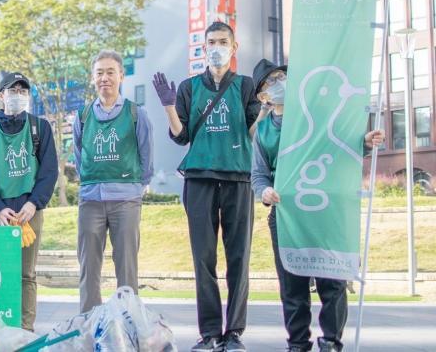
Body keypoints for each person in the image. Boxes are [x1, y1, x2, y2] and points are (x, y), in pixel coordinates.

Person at [250, 59, 385, 352]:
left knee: (331, 281)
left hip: (323, 210)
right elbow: (258, 176)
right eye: (272, 81)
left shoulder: (314, 117)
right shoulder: (262, 133)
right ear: (263, 97)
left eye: (282, 76)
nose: (279, 82)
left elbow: (338, 145)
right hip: (286, 216)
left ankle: (331, 341)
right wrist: (266, 192)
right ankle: (298, 343)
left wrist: (363, 142)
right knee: (292, 285)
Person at [152, 21, 261, 352]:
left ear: (233, 47)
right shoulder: (188, 87)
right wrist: (169, 106)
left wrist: (267, 108)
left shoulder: (245, 86)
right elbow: (181, 135)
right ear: (203, 47)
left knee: (238, 258)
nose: (216, 46)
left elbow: (252, 132)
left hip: (237, 178)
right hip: (199, 179)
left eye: (222, 41)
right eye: (211, 41)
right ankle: (210, 332)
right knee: (203, 258)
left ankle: (235, 333)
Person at [0, 72, 58, 331]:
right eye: (13, 90)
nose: (18, 95)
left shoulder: (40, 127)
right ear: (1, 96)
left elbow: (49, 171)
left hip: (30, 211)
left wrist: (34, 203)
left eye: (23, 91)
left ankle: (25, 329)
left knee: (26, 274)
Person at [73, 50, 154, 313]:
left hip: (126, 201)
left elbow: (146, 155)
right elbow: (79, 155)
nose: (104, 78)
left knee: (127, 270)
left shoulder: (135, 113)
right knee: (88, 270)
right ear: (92, 78)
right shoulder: (83, 116)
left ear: (121, 75)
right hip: (91, 201)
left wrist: (136, 187)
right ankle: (88, 325)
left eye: (110, 72)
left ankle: (128, 324)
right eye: (99, 73)